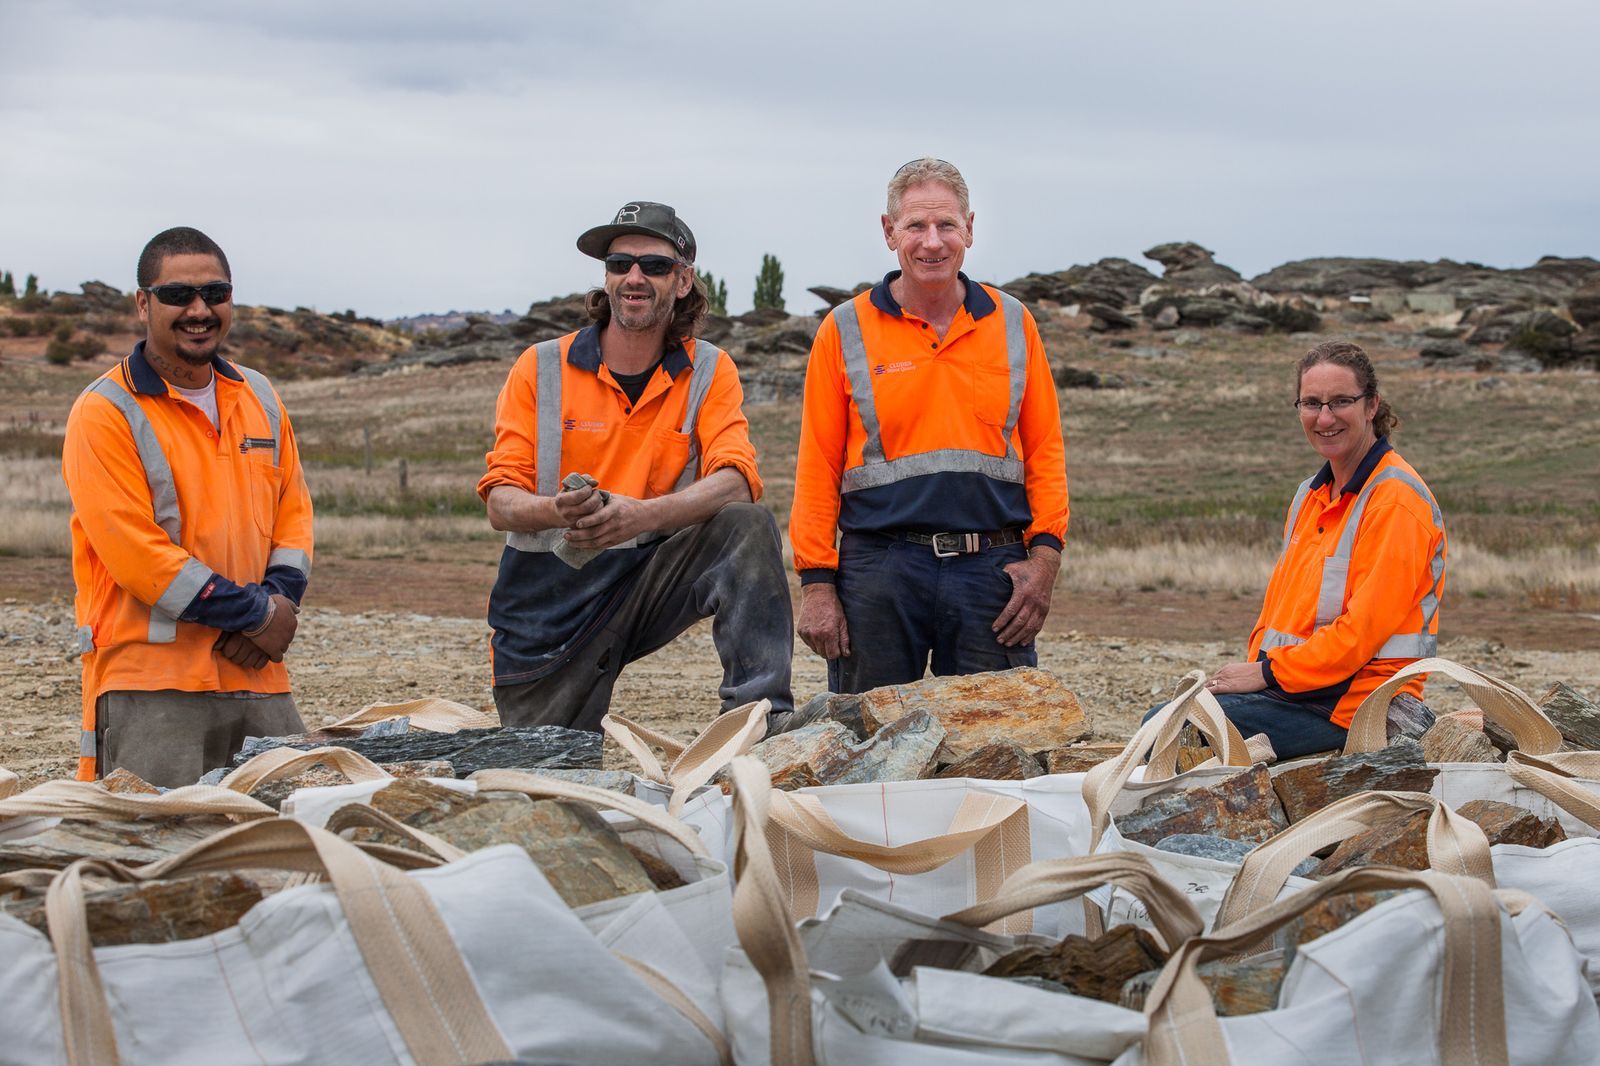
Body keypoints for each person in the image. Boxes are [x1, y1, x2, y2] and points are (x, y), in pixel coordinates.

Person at [479, 200, 792, 730]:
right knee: (549, 774)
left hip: (649, 577)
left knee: (747, 527)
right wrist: (557, 509)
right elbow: (500, 504)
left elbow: (737, 481)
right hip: (550, 602)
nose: (633, 277)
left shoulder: (710, 370)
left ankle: (759, 719)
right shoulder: (540, 368)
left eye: (654, 265)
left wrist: (640, 516)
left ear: (684, 280)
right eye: (619, 264)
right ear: (606, 278)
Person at [789, 158, 1068, 693]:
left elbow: (1046, 450)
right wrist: (817, 586)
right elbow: (817, 465)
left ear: (970, 228)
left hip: (993, 572)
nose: (932, 242)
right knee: (868, 751)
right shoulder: (843, 330)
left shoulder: (1013, 322)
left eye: (947, 225)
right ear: (889, 232)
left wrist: (1045, 560)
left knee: (996, 748)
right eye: (916, 226)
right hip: (878, 573)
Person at [62, 227, 312, 787]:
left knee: (279, 851)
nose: (199, 310)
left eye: (215, 294)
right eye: (178, 296)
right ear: (143, 303)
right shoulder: (105, 412)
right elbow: (137, 556)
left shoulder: (261, 398)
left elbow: (293, 518)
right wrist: (258, 616)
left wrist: (278, 603)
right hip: (151, 685)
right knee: (147, 853)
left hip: (256, 671)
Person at [1194, 339, 1446, 759]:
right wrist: (1261, 676)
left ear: (1371, 406)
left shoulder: (1396, 501)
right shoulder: (1311, 495)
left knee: (1176, 725)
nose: (1324, 418)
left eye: (1340, 401)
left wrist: (1265, 674)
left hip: (1360, 704)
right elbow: (1283, 616)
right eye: (1311, 403)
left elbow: (1360, 635)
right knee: (1177, 718)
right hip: (1303, 690)